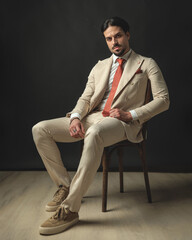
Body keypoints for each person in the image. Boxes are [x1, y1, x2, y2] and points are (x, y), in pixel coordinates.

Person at [32, 16, 169, 235]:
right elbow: (86, 98)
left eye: (118, 36)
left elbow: (163, 100)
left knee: (94, 133)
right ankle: (64, 187)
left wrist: (130, 114)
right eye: (109, 38)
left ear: (127, 35)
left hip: (122, 123)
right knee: (40, 129)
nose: (114, 42)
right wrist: (76, 116)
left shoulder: (147, 63)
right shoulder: (100, 66)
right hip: (92, 117)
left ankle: (70, 210)